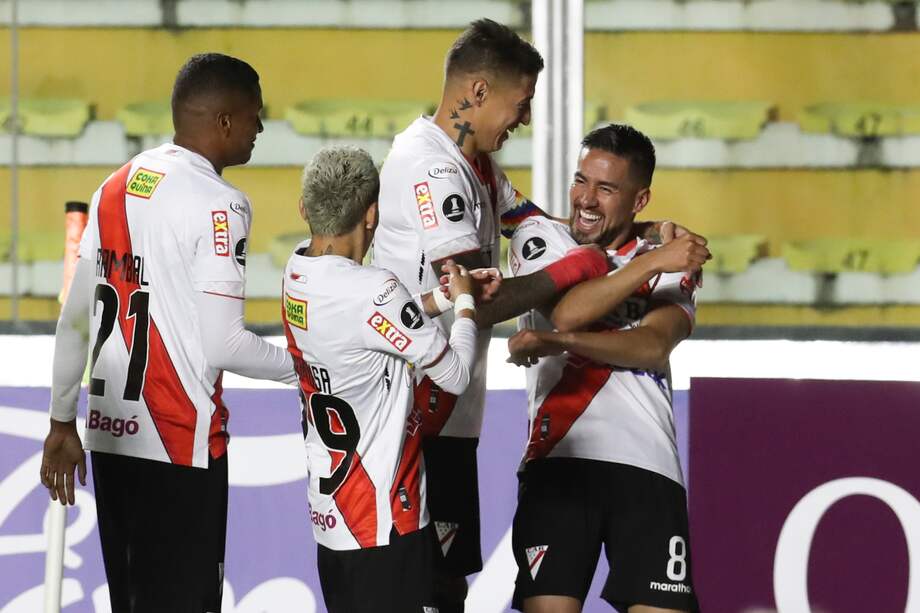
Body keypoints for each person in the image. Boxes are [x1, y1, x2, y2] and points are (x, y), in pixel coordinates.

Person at [39, 53, 297, 613]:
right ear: (225, 121)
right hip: (179, 446)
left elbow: (74, 319)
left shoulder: (113, 187)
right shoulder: (221, 204)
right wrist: (305, 370)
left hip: (111, 441)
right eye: (255, 114)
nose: (260, 127)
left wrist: (61, 420)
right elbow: (225, 345)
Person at [373, 19, 617, 611]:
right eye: (521, 102)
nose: (524, 119)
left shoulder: (475, 163)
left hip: (448, 415)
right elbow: (473, 300)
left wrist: (637, 236)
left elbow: (535, 222)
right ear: (478, 92)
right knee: (421, 589)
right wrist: (575, 269)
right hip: (412, 416)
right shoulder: (431, 168)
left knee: (445, 586)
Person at [506, 123, 709, 613]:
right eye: (581, 180)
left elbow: (652, 346)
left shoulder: (673, 256)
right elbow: (568, 310)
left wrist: (558, 344)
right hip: (560, 461)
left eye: (606, 188)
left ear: (640, 200)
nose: (586, 199)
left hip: (648, 463)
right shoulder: (541, 237)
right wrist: (651, 261)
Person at [282, 145, 480, 612]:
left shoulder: (296, 271)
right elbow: (454, 375)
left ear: (304, 209)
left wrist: (438, 299)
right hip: (387, 521)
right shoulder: (377, 288)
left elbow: (368, 322)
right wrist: (466, 304)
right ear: (372, 214)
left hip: (332, 523)